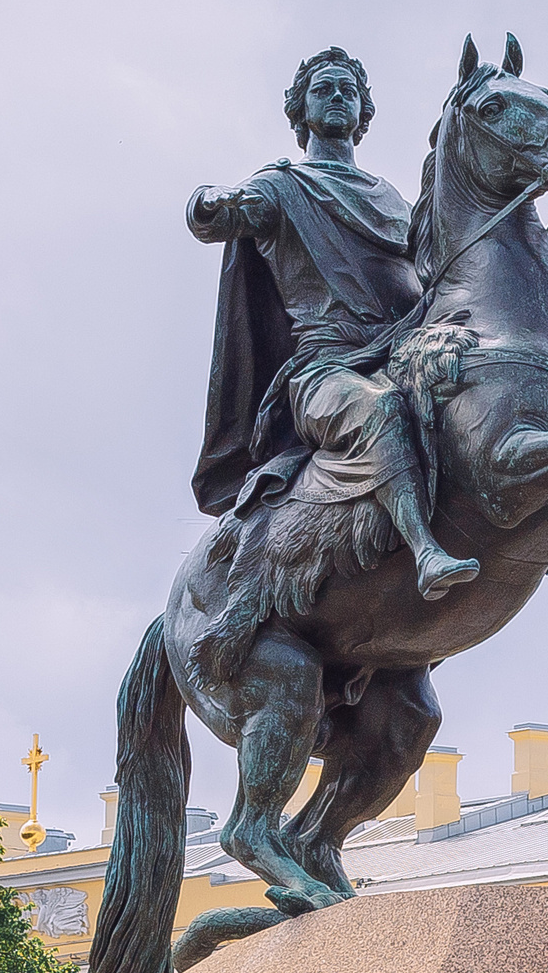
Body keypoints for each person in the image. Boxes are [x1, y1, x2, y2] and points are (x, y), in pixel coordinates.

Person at [188, 48, 479, 600]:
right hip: (326, 369)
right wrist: (208, 205)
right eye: (324, 89)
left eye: (348, 90)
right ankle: (425, 552)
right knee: (378, 409)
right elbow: (228, 214)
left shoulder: (390, 197)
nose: (339, 97)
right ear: (300, 114)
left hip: (401, 353)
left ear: (364, 114)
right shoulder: (281, 187)